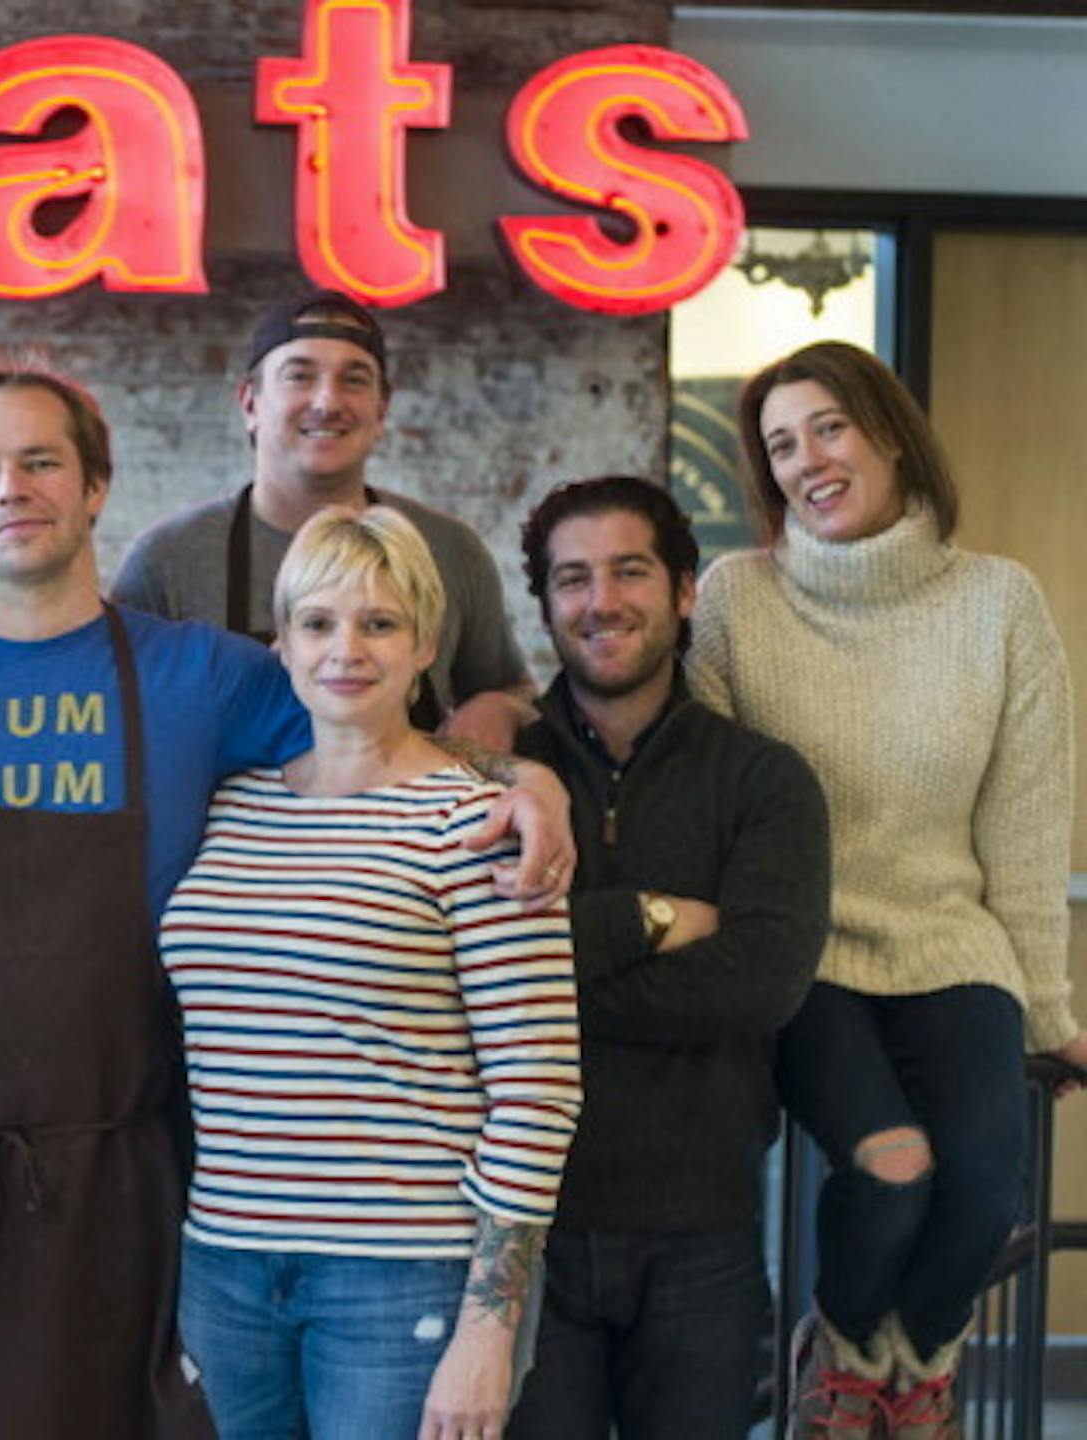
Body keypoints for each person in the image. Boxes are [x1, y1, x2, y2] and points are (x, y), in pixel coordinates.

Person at [0, 368, 575, 1439]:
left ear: (96, 487)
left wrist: (527, 781)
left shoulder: (211, 679)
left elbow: (371, 732)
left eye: (41, 462)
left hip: (131, 1192)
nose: (11, 488)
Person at [689, 342, 1085, 1438]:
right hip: (801, 952)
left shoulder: (999, 603)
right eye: (780, 446)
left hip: (952, 949)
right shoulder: (736, 600)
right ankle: (851, 1359)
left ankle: (908, 1367)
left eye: (828, 428)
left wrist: (1050, 1014)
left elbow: (1023, 829)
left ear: (892, 435)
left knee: (988, 1192)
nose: (806, 461)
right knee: (896, 1173)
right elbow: (707, 801)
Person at [161, 504, 581, 1440]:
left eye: (379, 623)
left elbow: (538, 1086)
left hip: (402, 1276)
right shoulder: (230, 808)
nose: (345, 649)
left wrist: (489, 1329)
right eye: (318, 623)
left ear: (425, 644)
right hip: (225, 1265)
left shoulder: (477, 822)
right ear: (282, 644)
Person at [503, 477, 830, 1440]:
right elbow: (459, 964)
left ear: (686, 591)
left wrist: (543, 969)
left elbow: (759, 984)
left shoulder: (765, 780)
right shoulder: (497, 782)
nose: (600, 601)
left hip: (704, 1238)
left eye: (629, 571)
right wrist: (646, 920)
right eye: (572, 578)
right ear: (545, 606)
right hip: (525, 1231)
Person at [111, 289, 534, 751]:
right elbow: (115, 720)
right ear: (250, 403)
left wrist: (499, 707)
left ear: (382, 409)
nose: (328, 401)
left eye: (354, 380)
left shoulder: (449, 549)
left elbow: (515, 690)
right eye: (300, 376)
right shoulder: (167, 561)